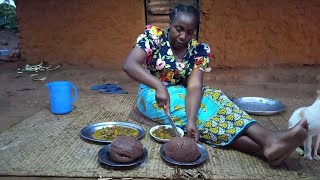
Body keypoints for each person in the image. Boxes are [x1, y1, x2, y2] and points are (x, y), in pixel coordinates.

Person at [123, 4, 308, 166]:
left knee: (216, 98)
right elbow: (129, 64)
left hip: (185, 91)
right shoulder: (154, 36)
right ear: (170, 21)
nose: (183, 36)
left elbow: (195, 86)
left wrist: (191, 121)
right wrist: (159, 86)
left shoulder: (199, 50)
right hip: (153, 95)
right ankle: (264, 147)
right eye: (178, 28)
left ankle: (267, 140)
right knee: (205, 115)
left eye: (189, 32)